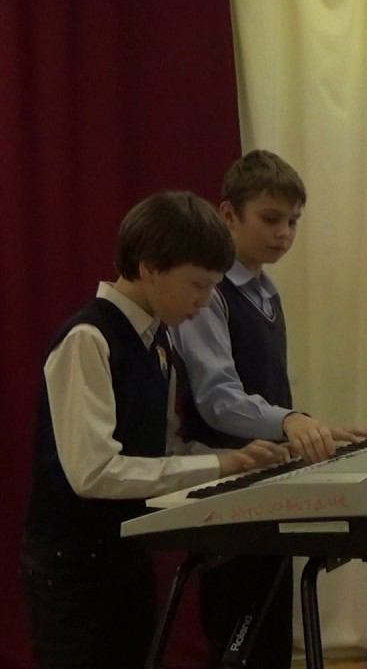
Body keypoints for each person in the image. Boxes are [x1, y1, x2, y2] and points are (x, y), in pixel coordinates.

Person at [20, 191, 291, 669]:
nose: (205, 301)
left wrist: (238, 462)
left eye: (212, 287)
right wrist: (217, 465)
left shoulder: (159, 342)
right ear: (149, 268)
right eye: (197, 285)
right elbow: (93, 472)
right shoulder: (88, 339)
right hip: (73, 564)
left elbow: (163, 449)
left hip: (126, 554)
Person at [172, 149, 367, 667]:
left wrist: (312, 429)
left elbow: (267, 392)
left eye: (293, 222)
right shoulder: (210, 293)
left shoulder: (266, 292)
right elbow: (218, 399)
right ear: (228, 214)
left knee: (272, 627)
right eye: (270, 218)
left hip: (267, 476)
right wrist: (288, 420)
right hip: (227, 483)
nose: (284, 233)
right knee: (238, 630)